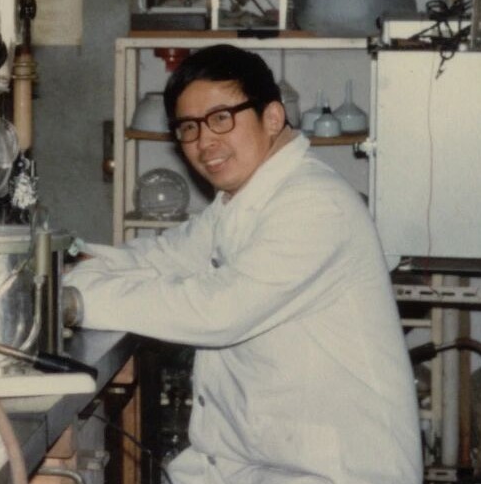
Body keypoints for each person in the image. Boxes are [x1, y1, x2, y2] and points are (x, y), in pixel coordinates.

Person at [64, 44, 420, 484]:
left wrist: (78, 301)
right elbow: (163, 256)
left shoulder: (314, 203)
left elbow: (217, 312)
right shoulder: (242, 201)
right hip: (256, 462)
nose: (203, 142)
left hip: (335, 471)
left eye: (220, 118)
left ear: (272, 117)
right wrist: (76, 265)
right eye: (189, 127)